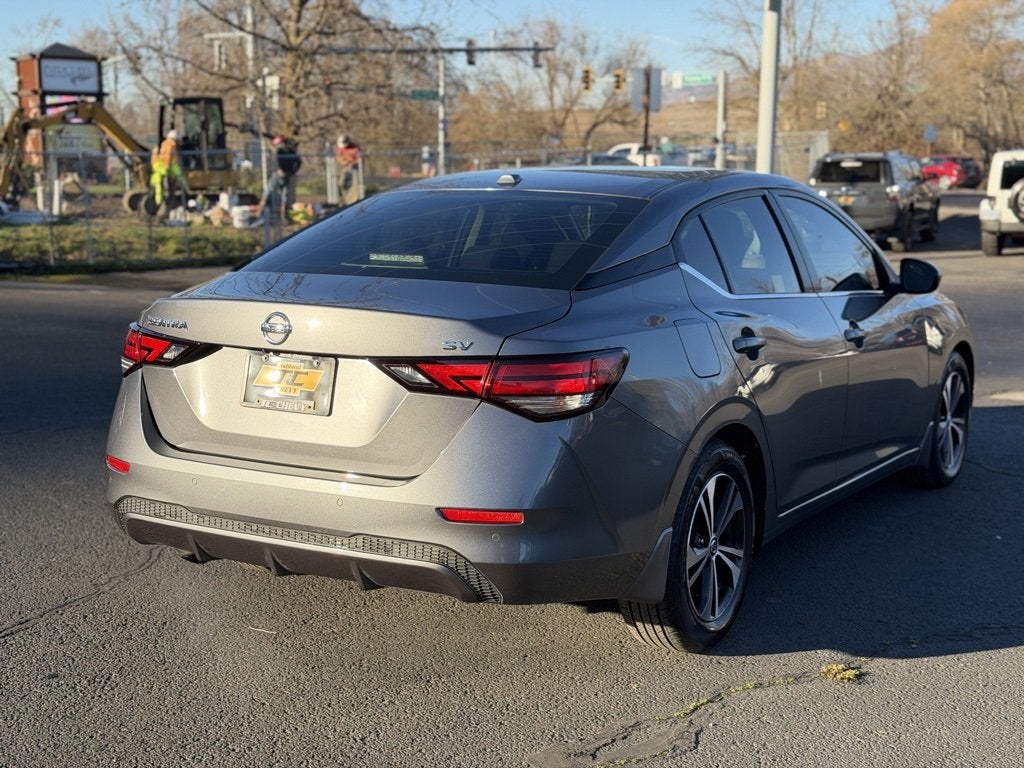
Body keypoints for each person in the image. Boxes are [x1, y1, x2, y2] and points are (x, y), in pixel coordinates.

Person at [259, 135, 302, 222]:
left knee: (270, 192)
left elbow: (297, 161)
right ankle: (263, 212)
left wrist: (285, 170)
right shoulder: (287, 151)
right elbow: (298, 161)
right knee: (279, 194)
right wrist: (291, 171)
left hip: (281, 175)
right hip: (284, 174)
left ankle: (282, 216)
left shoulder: (281, 151)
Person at [150, 129, 186, 207]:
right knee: (163, 188)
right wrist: (167, 169)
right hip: (164, 169)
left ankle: (162, 203)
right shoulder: (169, 145)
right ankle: (163, 204)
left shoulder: (167, 144)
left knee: (161, 188)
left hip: (163, 169)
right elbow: (167, 157)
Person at [335, 134, 362, 206]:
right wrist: (343, 162)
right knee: (342, 185)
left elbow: (359, 160)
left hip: (354, 170)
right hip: (344, 170)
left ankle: (353, 203)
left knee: (354, 187)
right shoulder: (340, 149)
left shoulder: (355, 148)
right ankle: (343, 202)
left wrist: (352, 163)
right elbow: (339, 158)